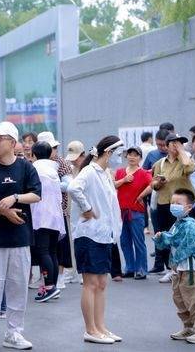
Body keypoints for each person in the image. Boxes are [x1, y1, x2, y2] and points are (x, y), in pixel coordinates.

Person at [0, 121, 41, 351]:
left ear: (12, 143)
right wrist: (3, 211)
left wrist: (15, 198)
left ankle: (14, 333)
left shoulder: (26, 168)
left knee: (18, 287)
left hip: (20, 238)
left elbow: (36, 194)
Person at [67, 135, 124, 345]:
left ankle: (100, 327)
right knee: (90, 283)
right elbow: (73, 188)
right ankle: (90, 329)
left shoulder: (105, 173)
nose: (120, 158)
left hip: (103, 234)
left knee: (101, 283)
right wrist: (87, 208)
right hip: (89, 234)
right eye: (119, 154)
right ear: (108, 153)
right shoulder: (90, 171)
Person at [154, 189, 195, 344]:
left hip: (188, 269)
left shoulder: (190, 224)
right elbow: (166, 243)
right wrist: (161, 238)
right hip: (178, 268)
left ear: (189, 207)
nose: (174, 206)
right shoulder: (177, 223)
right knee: (180, 299)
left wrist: (167, 238)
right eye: (172, 202)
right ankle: (188, 327)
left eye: (178, 203)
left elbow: (187, 245)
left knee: (194, 298)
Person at [151, 132, 195, 282]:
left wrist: (181, 151)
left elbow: (190, 169)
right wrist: (159, 183)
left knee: (183, 237)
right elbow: (153, 184)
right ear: (167, 145)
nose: (177, 145)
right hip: (165, 203)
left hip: (183, 205)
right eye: (174, 143)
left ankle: (184, 269)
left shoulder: (185, 159)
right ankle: (171, 269)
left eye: (180, 143)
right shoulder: (160, 163)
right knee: (166, 236)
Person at [37, 131, 75, 289]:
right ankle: (48, 279)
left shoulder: (61, 163)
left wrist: (50, 185)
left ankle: (58, 278)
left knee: (57, 248)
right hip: (42, 212)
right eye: (51, 148)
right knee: (47, 249)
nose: (53, 151)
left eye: (54, 148)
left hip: (59, 210)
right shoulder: (37, 164)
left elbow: (69, 184)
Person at [30, 141, 65, 302]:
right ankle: (52, 286)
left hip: (41, 215)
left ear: (34, 155)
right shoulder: (53, 170)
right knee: (52, 252)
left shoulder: (35, 169)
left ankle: (49, 287)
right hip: (55, 216)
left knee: (43, 251)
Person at [113, 147, 152, 279]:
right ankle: (130, 268)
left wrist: (141, 196)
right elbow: (112, 185)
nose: (132, 157)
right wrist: (124, 180)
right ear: (126, 156)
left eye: (135, 155)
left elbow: (152, 185)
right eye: (130, 154)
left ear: (140, 158)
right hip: (121, 211)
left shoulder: (144, 173)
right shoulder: (120, 172)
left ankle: (141, 270)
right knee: (124, 241)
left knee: (138, 242)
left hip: (136, 212)